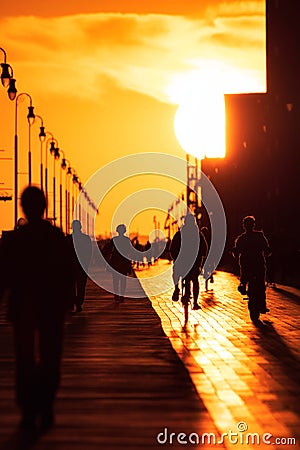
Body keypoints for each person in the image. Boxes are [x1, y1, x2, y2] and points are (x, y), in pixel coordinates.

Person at [0, 186, 73, 431]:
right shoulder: (55, 237)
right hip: (50, 307)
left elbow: (4, 275)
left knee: (24, 358)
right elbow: (67, 272)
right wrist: (68, 300)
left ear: (24, 207)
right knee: (51, 356)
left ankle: (29, 407)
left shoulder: (16, 240)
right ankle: (46, 402)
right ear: (45, 207)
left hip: (24, 307)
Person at [233, 215, 271, 312]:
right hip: (258, 263)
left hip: (246, 264)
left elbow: (236, 252)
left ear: (244, 226)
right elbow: (266, 249)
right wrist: (267, 252)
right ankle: (262, 305)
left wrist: (235, 253)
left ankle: (243, 285)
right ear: (253, 225)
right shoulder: (259, 236)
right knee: (261, 285)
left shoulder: (241, 238)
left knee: (245, 277)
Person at [170, 214, 208, 310]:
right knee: (195, 280)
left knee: (176, 274)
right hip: (194, 262)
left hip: (181, 262)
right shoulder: (198, 234)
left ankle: (176, 288)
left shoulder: (180, 233)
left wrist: (175, 257)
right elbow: (204, 248)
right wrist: (202, 256)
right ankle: (195, 302)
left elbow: (172, 248)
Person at [67, 220, 92, 313]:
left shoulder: (68, 239)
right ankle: (78, 303)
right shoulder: (85, 239)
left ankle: (73, 303)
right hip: (81, 265)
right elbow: (89, 252)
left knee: (71, 286)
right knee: (81, 286)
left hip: (71, 265)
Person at [107, 224, 133, 302]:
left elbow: (108, 250)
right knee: (123, 280)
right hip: (124, 261)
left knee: (115, 280)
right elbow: (130, 251)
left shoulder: (114, 240)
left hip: (115, 261)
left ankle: (116, 295)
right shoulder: (127, 240)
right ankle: (121, 295)